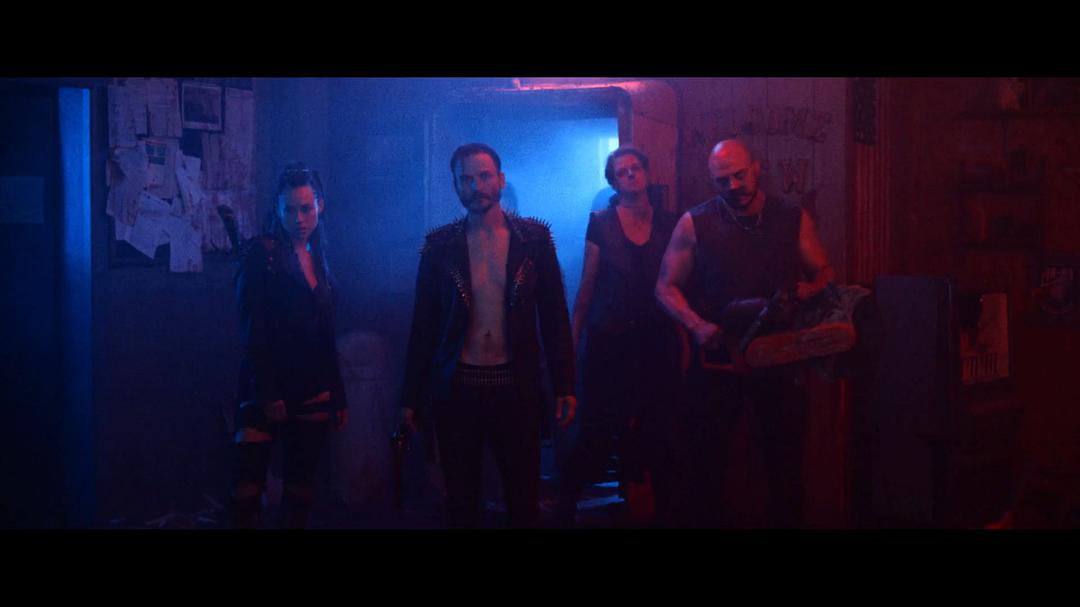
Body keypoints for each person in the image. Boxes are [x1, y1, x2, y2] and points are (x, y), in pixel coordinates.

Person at [655, 139, 834, 527]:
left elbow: (823, 271)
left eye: (739, 175)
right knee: (706, 465)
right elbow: (665, 288)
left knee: (785, 464)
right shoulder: (695, 222)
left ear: (756, 167)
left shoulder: (791, 217)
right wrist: (696, 325)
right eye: (723, 180)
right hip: (720, 357)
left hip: (780, 356)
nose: (733, 186)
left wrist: (812, 289)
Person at [399, 143, 576, 528]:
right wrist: (410, 398)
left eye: (483, 176)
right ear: (455, 186)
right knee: (462, 499)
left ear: (500, 179)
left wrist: (565, 383)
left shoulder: (533, 241)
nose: (476, 186)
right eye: (466, 179)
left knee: (522, 497)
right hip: (458, 387)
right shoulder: (439, 247)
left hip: (516, 386)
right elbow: (423, 326)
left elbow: (554, 316)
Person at [556, 146, 680, 526]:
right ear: (612, 181)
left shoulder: (670, 222)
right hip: (610, 341)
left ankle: (661, 514)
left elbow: (680, 281)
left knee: (660, 430)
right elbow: (587, 287)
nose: (630, 174)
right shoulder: (602, 223)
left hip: (655, 340)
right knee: (596, 429)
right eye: (622, 171)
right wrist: (571, 346)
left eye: (635, 167)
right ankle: (564, 509)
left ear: (647, 173)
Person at [230, 162, 348, 528]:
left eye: (306, 209)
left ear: (320, 205)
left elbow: (326, 334)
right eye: (290, 210)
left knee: (300, 492)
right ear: (278, 210)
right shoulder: (261, 255)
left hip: (313, 386)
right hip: (268, 385)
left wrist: (338, 393)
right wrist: (268, 392)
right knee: (247, 493)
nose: (299, 219)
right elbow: (254, 328)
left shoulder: (320, 256)